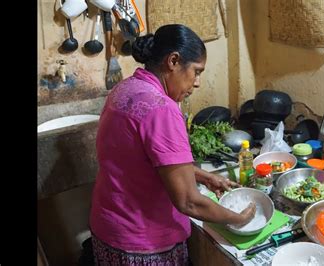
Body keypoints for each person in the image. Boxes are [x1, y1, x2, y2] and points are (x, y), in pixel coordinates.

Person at [89, 24, 256, 265]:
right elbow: (188, 201)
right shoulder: (162, 109)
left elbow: (140, 160)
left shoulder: (125, 89)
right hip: (142, 242)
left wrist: (200, 175)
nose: (197, 83)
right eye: (196, 71)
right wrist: (238, 219)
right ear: (174, 61)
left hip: (108, 228)